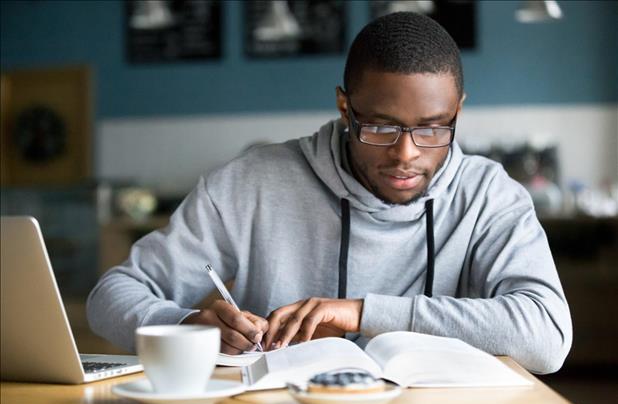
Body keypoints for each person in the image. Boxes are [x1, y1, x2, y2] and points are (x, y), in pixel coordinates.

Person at [87, 12, 572, 374]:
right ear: (345, 106)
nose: (406, 154)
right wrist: (188, 323)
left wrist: (361, 312)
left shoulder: (488, 195)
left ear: (457, 111)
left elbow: (547, 337)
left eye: (432, 128)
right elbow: (110, 295)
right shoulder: (251, 182)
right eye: (380, 127)